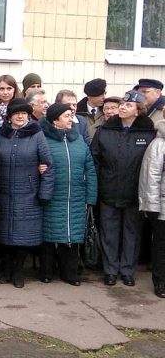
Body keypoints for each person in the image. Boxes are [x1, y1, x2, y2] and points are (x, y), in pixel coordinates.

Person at [91, 90, 155, 287]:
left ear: (138, 111)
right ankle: (110, 271)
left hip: (135, 193)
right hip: (109, 190)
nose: (122, 107)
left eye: (128, 105)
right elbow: (95, 158)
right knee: (109, 232)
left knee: (132, 234)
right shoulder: (105, 131)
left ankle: (127, 271)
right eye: (122, 104)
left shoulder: (148, 133)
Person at [0, 98, 53, 288]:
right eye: (16, 113)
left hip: (28, 194)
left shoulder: (37, 134)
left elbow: (48, 165)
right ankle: (7, 269)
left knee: (23, 237)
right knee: (5, 235)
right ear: (9, 116)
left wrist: (44, 193)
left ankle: (18, 271)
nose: (20, 116)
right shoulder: (0, 134)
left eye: (24, 113)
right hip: (3, 193)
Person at [39, 104, 97, 286]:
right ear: (55, 120)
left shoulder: (78, 139)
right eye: (66, 116)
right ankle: (47, 272)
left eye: (71, 115)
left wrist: (91, 197)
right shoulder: (43, 139)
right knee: (48, 235)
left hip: (76, 197)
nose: (71, 119)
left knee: (71, 237)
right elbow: (35, 162)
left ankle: (70, 273)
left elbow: (90, 169)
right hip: (52, 196)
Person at [139, 119, 165, 298]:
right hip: (163, 204)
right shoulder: (158, 144)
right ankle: (161, 281)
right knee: (162, 244)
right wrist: (152, 205)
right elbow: (150, 176)